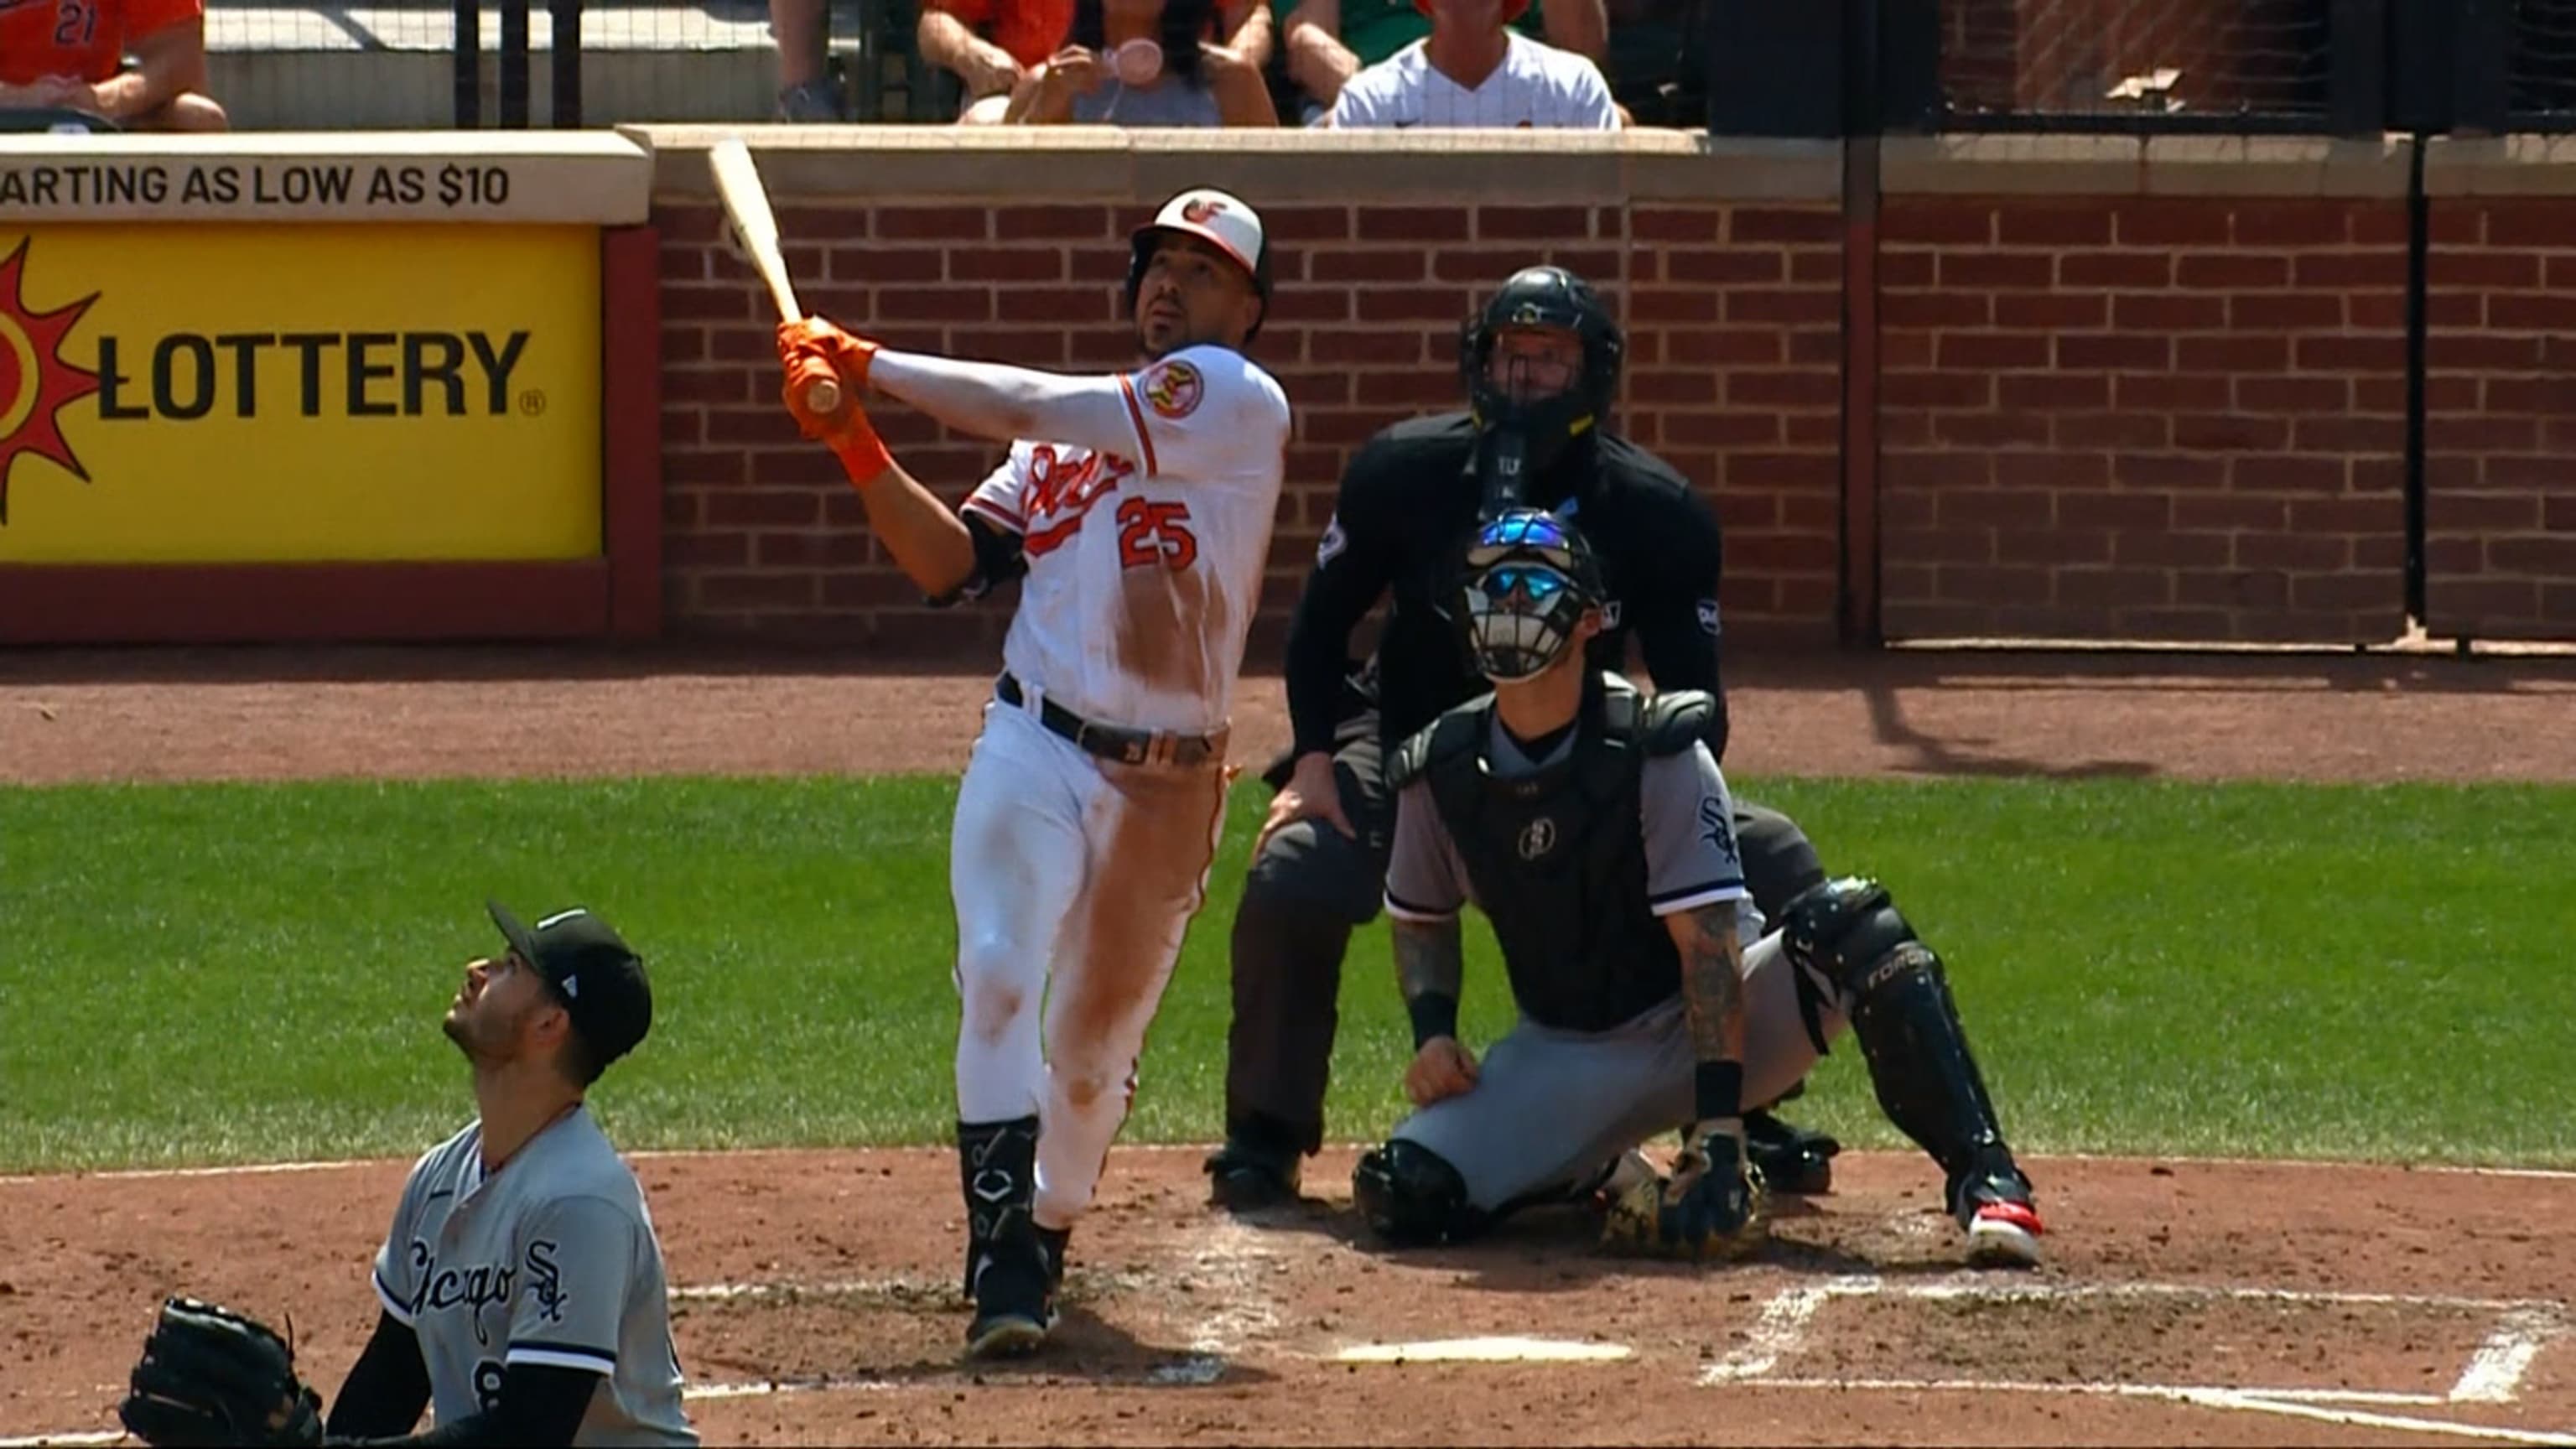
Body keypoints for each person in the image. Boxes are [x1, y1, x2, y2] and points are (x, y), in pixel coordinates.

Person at [1204, 263, 1842, 1213]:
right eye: (1511, 355)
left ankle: (1741, 1103)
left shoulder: (1657, 513)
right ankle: (1265, 1135)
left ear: (1594, 375)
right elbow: (1317, 624)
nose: (1527, 377)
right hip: (1413, 751)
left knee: (1773, 855)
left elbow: (1699, 701)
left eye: (1551, 360)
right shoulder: (1403, 472)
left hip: (1584, 757)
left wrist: (1650, 789)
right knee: (1297, 870)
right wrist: (1313, 761)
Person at [774, 188, 1290, 1358]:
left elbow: (1039, 395)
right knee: (1000, 972)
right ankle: (1003, 1252)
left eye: (1203, 272)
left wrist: (870, 362)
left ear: (1249, 310)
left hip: (1169, 784)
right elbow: (950, 566)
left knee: (1095, 1056)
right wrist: (856, 439)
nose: (1171, 284)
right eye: (1160, 263)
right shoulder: (1061, 451)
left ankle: (1046, 1225)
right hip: (1035, 742)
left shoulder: (1235, 404)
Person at [1351, 511, 2047, 1269]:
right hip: (1565, 1052)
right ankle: (1590, 1165)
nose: (1507, 608)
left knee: (1858, 927)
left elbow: (1709, 946)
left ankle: (1988, 1179)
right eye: (1489, 590)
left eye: (1528, 587)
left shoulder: (1657, 747)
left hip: (1714, 1028)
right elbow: (1421, 918)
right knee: (1404, 1189)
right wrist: (1432, 1034)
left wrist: (1719, 1129)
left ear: (1589, 620)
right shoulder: (1437, 769)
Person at [117, 902, 694, 1447]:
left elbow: (531, 1432)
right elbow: (393, 1378)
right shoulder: (442, 1178)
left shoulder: (579, 1200)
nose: (478, 970)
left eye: (511, 966)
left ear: (550, 1022)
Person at [1271, 0, 1602, 122]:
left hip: (1518, 75)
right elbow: (1308, 39)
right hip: (1368, 89)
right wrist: (1377, 103)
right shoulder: (1371, 98)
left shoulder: (1573, 80)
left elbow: (1581, 47)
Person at [1002, 0, 1279, 125]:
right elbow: (999, 211)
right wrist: (1037, 119)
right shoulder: (1045, 86)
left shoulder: (1231, 82)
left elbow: (1274, 192)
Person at [0, 0, 226, 132]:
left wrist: (104, 101)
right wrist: (19, 99)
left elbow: (181, 55)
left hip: (90, 109)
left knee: (198, 119)